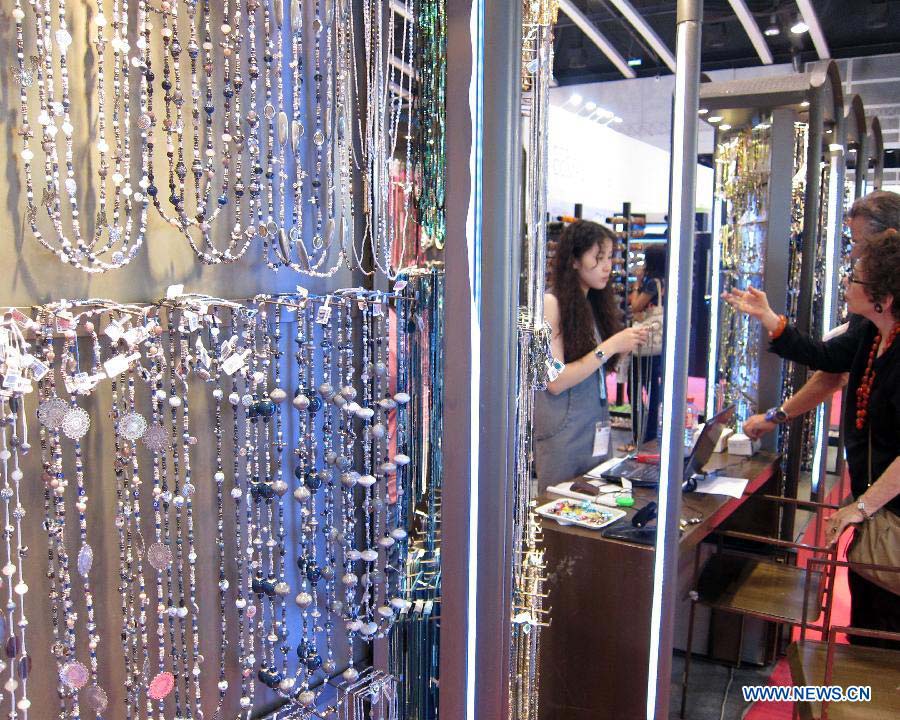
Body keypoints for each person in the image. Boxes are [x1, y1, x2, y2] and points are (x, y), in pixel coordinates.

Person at [723, 229, 900, 646]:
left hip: (887, 510)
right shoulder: (871, 332)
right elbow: (824, 360)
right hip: (876, 508)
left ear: (885, 297)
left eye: (855, 278)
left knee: (886, 631)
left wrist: (861, 506)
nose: (846, 283)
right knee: (868, 618)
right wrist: (769, 318)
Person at [743, 190, 900, 438]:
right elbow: (832, 362)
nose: (853, 254)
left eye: (858, 242)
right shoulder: (874, 326)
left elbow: (830, 363)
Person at [534, 221, 649, 491]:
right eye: (598, 258)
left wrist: (621, 345)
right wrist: (609, 346)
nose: (607, 266)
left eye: (609, 258)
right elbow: (554, 380)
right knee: (559, 511)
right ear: (574, 260)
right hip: (563, 431)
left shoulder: (591, 305)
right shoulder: (550, 304)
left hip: (594, 424)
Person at [629, 246, 665, 442]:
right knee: (653, 388)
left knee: (635, 388)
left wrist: (637, 285)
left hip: (645, 347)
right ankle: (650, 433)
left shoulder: (652, 284)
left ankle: (640, 434)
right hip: (659, 345)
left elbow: (635, 306)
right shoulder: (667, 281)